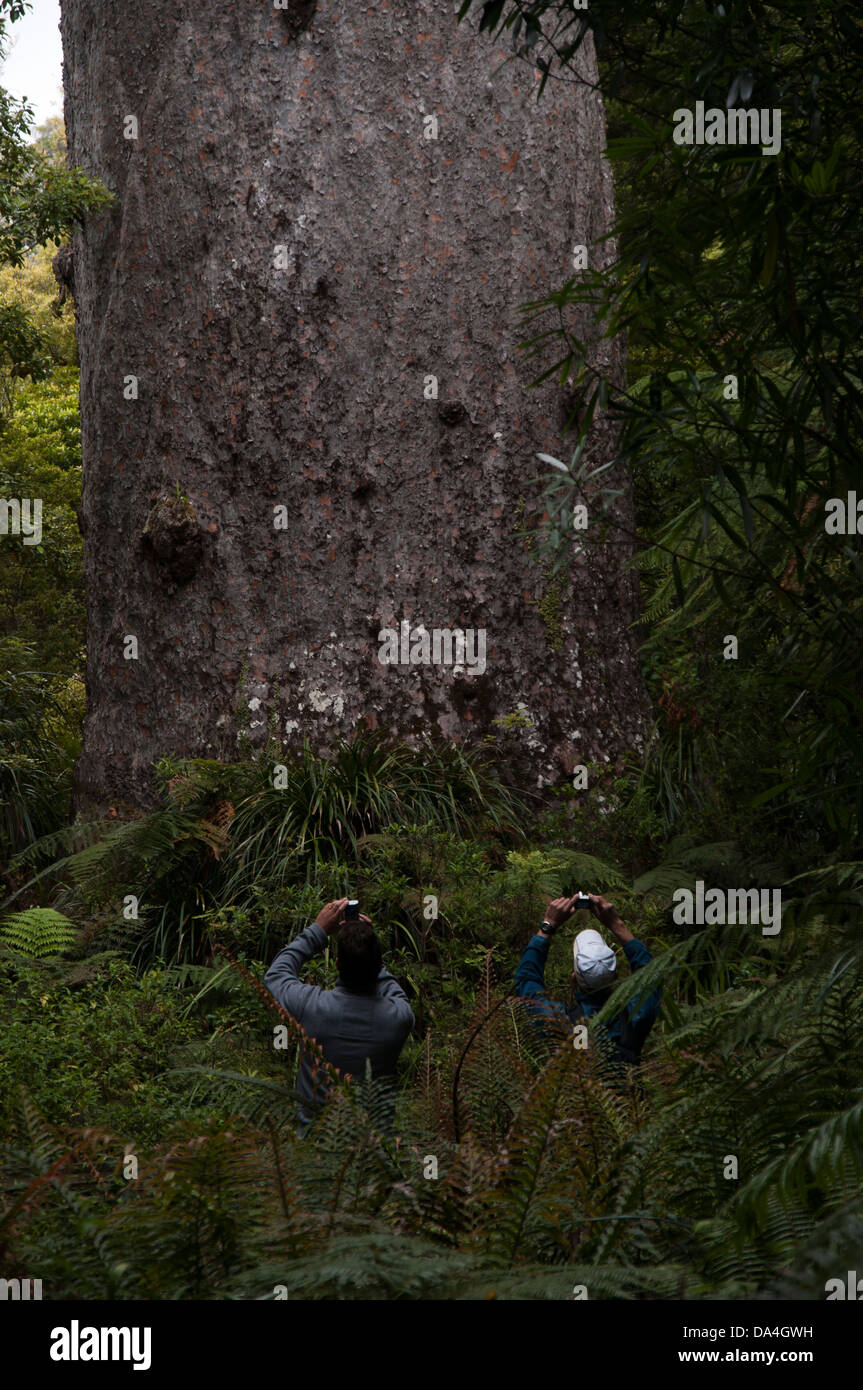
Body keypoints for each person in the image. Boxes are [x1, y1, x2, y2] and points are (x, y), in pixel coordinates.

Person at [265, 897, 415, 1134]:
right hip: (374, 1156)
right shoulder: (399, 1018)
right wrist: (368, 947)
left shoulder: (311, 1006)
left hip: (315, 1150)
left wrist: (318, 931)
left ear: (336, 964)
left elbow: (276, 975)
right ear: (377, 967)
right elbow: (388, 984)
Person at [513, 892, 661, 1069]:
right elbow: (651, 973)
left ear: (574, 980)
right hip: (627, 1095)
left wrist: (548, 925)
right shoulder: (636, 1017)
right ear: (615, 977)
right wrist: (617, 925)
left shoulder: (559, 1024)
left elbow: (526, 981)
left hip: (578, 1094)